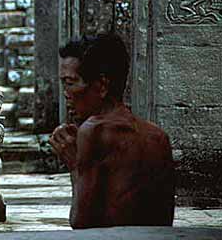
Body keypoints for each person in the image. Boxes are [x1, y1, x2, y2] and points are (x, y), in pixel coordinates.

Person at [50, 33, 175, 229]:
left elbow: (81, 223)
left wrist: (75, 166)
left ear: (101, 85)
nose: (66, 95)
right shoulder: (158, 137)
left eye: (70, 83)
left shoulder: (92, 132)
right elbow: (164, 220)